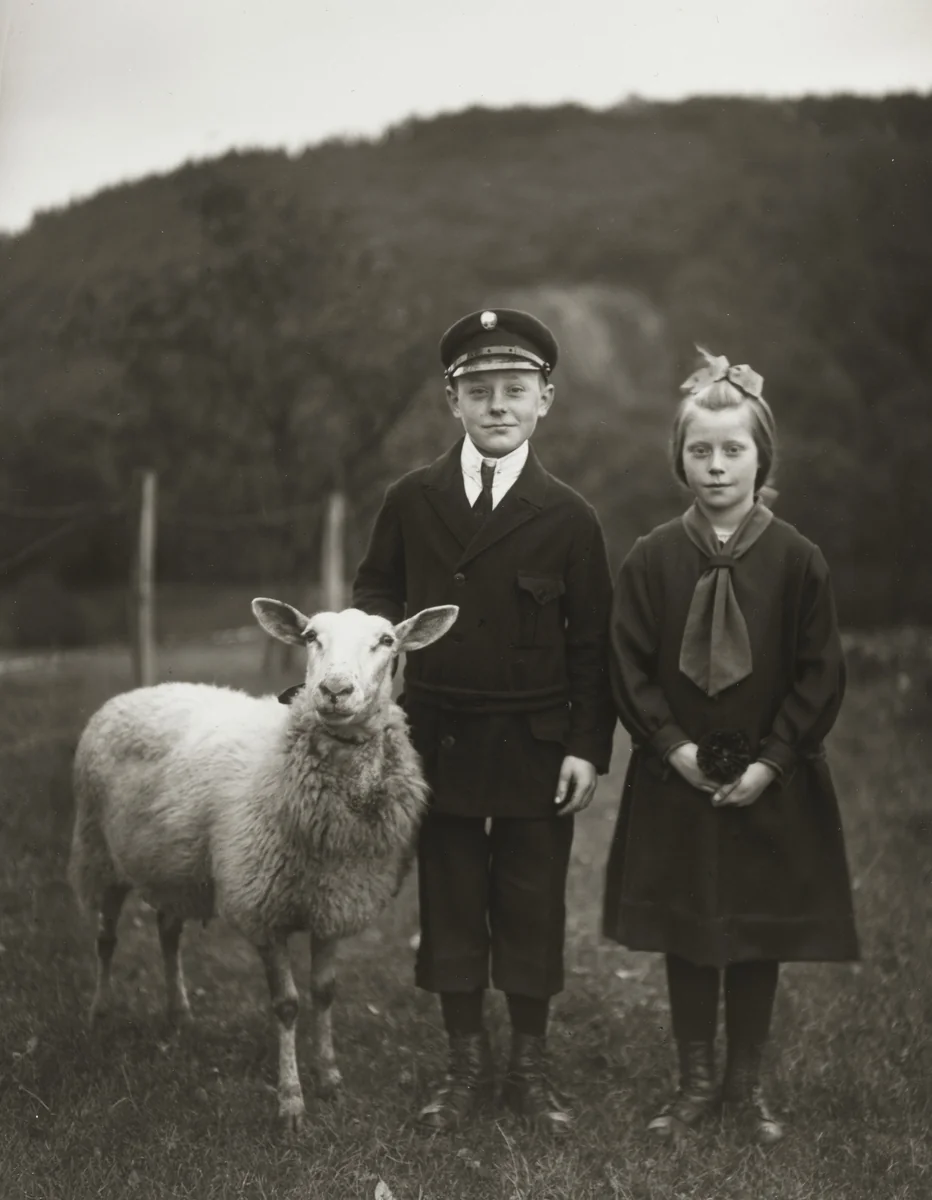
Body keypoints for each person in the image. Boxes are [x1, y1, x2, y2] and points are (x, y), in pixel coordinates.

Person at [352, 308, 616, 1136]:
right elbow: (375, 592)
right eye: (479, 391)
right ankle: (463, 1065)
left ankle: (528, 1070)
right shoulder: (412, 498)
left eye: (515, 390)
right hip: (439, 735)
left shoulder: (569, 515)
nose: (497, 406)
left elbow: (593, 644)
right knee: (454, 898)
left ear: (545, 399)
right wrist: (379, 654)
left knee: (533, 902)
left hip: (537, 742)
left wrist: (586, 748)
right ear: (452, 400)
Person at [602, 348, 859, 1145]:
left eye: (733, 449)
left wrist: (773, 761)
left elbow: (820, 674)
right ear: (679, 458)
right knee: (689, 927)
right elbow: (628, 667)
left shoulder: (798, 561)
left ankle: (745, 1088)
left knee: (754, 930)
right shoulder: (651, 558)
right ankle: (695, 1084)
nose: (716, 466)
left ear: (761, 458)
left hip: (768, 781)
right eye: (700, 450)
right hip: (676, 779)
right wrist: (671, 746)